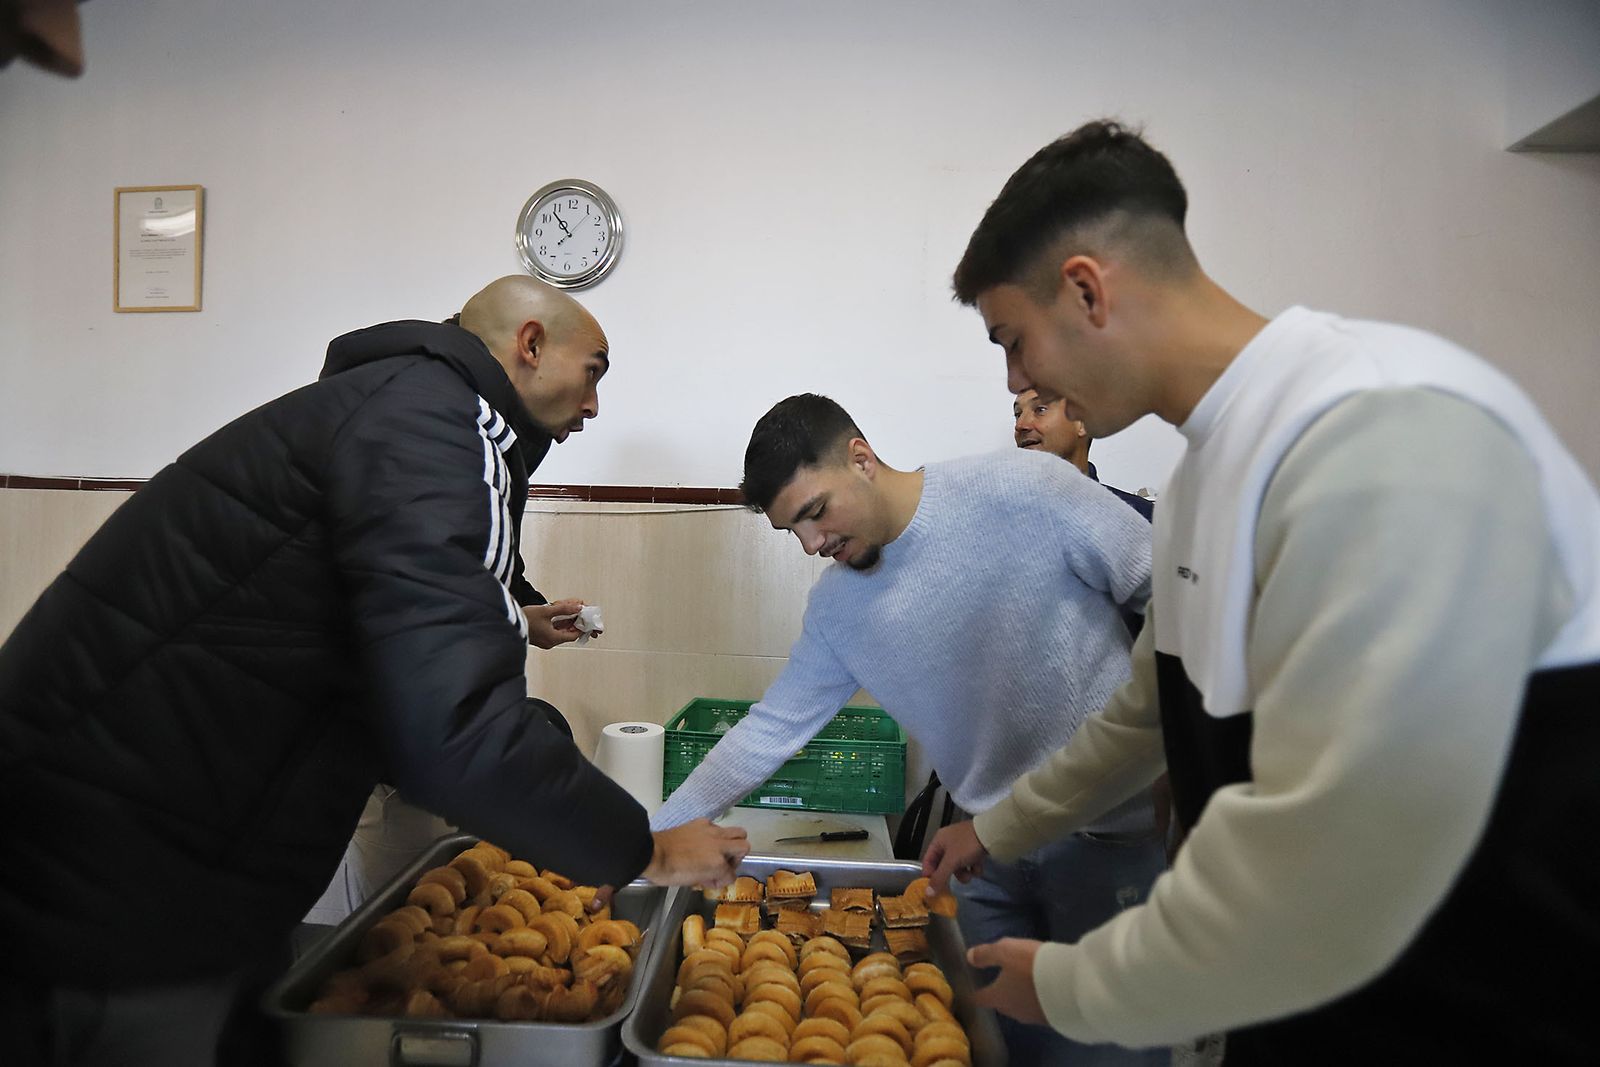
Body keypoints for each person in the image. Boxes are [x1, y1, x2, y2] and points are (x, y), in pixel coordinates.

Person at [924, 119, 1600, 1063]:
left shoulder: (1383, 431)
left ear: (1086, 290)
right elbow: (1144, 718)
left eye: (1013, 340)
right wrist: (1000, 829)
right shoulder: (1202, 479)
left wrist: (1079, 984)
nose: (1017, 379)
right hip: (1302, 1005)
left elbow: (1335, 857)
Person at [0, 275, 748, 1066]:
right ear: (530, 345)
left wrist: (514, 619)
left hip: (141, 851)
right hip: (115, 870)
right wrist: (645, 850)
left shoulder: (401, 405)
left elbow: (392, 615)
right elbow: (456, 725)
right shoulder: (434, 419)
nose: (594, 404)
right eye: (593, 371)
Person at [654, 392, 1166, 1067]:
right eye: (792, 531)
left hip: (1107, 840)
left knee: (1113, 1048)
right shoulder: (838, 608)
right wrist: (646, 843)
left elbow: (1176, 596)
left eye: (815, 512)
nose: (812, 544)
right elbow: (767, 731)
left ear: (860, 459)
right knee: (1000, 1046)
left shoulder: (1027, 489)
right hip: (984, 855)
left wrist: (1191, 760)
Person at [1014, 386, 1152, 519]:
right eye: (1018, 414)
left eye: (1040, 409)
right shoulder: (1005, 514)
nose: (1020, 425)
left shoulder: (1139, 516)